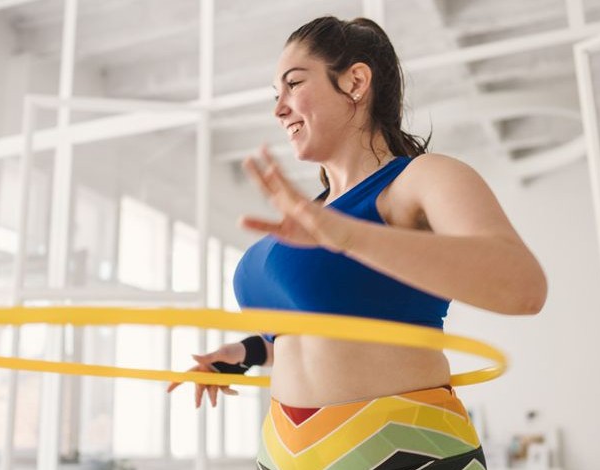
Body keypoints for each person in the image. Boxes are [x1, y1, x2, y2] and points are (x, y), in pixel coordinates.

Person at [167, 16, 547, 470]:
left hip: (403, 450)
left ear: (355, 82)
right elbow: (327, 326)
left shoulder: (418, 180)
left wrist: (347, 236)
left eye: (293, 84)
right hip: (283, 454)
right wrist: (246, 353)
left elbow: (523, 286)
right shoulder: (311, 215)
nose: (279, 108)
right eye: (276, 95)